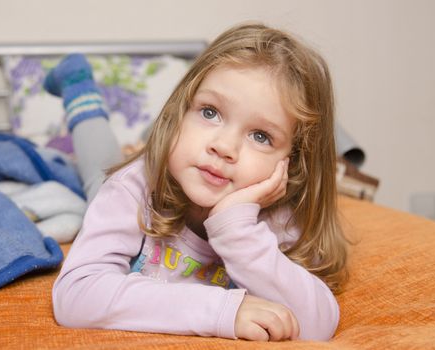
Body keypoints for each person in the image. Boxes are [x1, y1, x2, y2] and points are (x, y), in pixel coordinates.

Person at [47, 23, 349, 342]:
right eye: (209, 112)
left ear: (293, 162)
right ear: (181, 110)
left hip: (183, 157)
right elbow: (76, 294)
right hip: (151, 173)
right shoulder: (132, 186)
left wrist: (237, 230)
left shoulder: (280, 216)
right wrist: (221, 310)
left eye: (261, 136)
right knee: (99, 169)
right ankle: (78, 87)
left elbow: (318, 326)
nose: (224, 146)